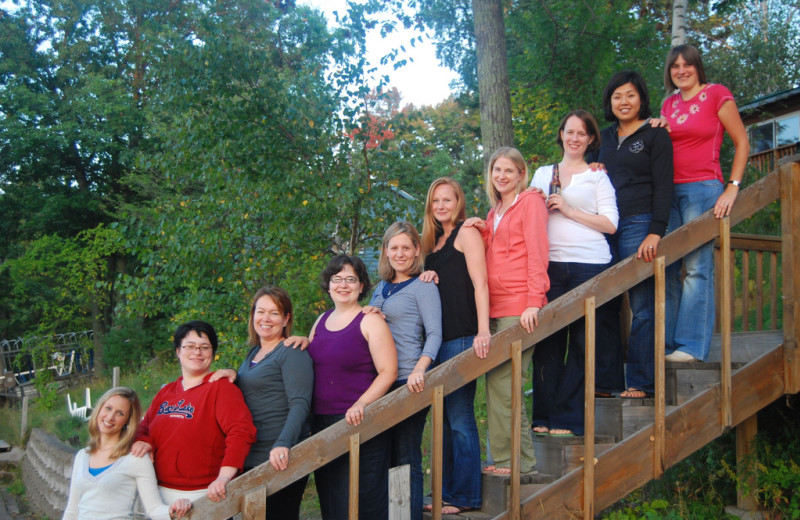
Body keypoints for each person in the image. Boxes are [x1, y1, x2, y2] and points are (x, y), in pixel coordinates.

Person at [529, 110, 618, 436]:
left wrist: (568, 209)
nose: (575, 138)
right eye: (570, 131)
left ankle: (567, 420)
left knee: (582, 343)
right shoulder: (542, 173)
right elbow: (525, 214)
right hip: (550, 266)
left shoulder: (597, 177)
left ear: (591, 139)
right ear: (561, 134)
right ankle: (542, 417)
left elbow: (610, 223)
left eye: (582, 133)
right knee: (548, 342)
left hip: (590, 266)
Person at [661, 44, 750, 363]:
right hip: (668, 192)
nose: (681, 70)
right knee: (668, 267)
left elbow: (742, 141)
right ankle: (666, 344)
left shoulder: (716, 94)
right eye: (675, 66)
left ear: (698, 67)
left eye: (687, 65)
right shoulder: (667, 104)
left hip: (703, 187)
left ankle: (691, 346)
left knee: (698, 267)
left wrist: (732, 187)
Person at [590, 70, 674, 399]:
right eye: (617, 96)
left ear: (641, 98)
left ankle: (641, 381)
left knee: (643, 305)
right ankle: (608, 383)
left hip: (640, 223)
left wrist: (656, 231)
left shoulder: (655, 135)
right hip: (605, 227)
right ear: (609, 102)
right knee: (605, 304)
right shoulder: (603, 139)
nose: (624, 102)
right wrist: (593, 169)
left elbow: (665, 185)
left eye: (630, 95)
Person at [465, 146, 549, 475]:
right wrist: (483, 229)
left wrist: (534, 300)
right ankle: (514, 460)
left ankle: (513, 462)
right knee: (499, 384)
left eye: (509, 171)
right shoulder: (494, 211)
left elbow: (537, 251)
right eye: (496, 170)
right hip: (493, 306)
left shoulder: (530, 202)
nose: (501, 176)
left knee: (505, 383)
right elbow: (499, 250)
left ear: (521, 174)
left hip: (519, 305)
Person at [306, 254, 398, 520]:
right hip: (322, 424)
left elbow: (388, 372)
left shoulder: (370, 321)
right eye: (337, 279)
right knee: (332, 499)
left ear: (361, 286)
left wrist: (361, 403)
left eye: (350, 279)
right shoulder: (320, 321)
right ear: (329, 284)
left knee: (363, 500)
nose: (343, 285)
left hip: (360, 422)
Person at [212, 287, 314, 520]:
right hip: (251, 454)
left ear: (286, 318)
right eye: (260, 312)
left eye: (274, 313)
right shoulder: (254, 353)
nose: (265, 319)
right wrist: (233, 374)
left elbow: (300, 403)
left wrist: (283, 444)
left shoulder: (291, 352)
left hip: (279, 456)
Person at [420, 177, 488, 514]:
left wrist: (484, 331)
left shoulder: (467, 233)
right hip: (436, 342)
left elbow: (480, 284)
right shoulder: (430, 245)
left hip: (463, 336)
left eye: (448, 199)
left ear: (459, 202)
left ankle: (466, 496)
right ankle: (445, 492)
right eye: (436, 201)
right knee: (443, 421)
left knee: (460, 417)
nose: (442, 206)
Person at [132, 321, 257, 504]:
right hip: (158, 496)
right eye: (189, 346)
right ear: (178, 352)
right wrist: (144, 441)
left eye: (204, 347)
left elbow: (242, 432)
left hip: (204, 495)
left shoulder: (221, 388)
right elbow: (143, 428)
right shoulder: (166, 392)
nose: (197, 352)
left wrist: (224, 477)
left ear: (213, 354)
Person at [365, 222, 442, 520]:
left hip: (408, 379)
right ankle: (391, 514)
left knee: (406, 455)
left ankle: (407, 516)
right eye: (394, 248)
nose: (400, 253)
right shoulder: (379, 288)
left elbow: (434, 333)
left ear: (416, 251)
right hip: (379, 382)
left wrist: (421, 369)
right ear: (386, 251)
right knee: (385, 456)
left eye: (406, 248)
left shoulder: (424, 285)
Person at [63, 387, 193, 520]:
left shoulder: (136, 458)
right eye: (108, 408)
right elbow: (72, 511)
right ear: (99, 409)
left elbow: (154, 509)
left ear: (127, 421)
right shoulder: (83, 456)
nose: (110, 417)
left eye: (120, 413)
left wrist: (173, 508)